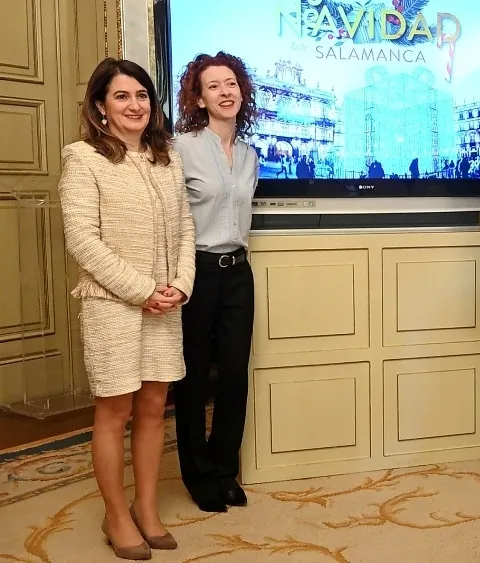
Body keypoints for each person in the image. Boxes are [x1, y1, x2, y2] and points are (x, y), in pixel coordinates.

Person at [60, 57, 195, 559]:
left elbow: (186, 228)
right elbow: (82, 241)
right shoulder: (83, 159)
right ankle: (116, 515)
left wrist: (181, 284)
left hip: (165, 303)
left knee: (155, 406)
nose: (135, 105)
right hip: (112, 306)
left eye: (142, 95)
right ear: (100, 106)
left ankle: (147, 508)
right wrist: (142, 290)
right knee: (115, 411)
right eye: (121, 96)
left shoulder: (167, 158)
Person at [172, 52, 260, 513]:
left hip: (239, 273)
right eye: (213, 86)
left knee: (233, 373)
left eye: (231, 83)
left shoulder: (249, 155)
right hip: (197, 272)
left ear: (241, 91)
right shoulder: (181, 147)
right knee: (191, 377)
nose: (225, 92)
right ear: (199, 98)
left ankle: (225, 469)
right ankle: (197, 473)